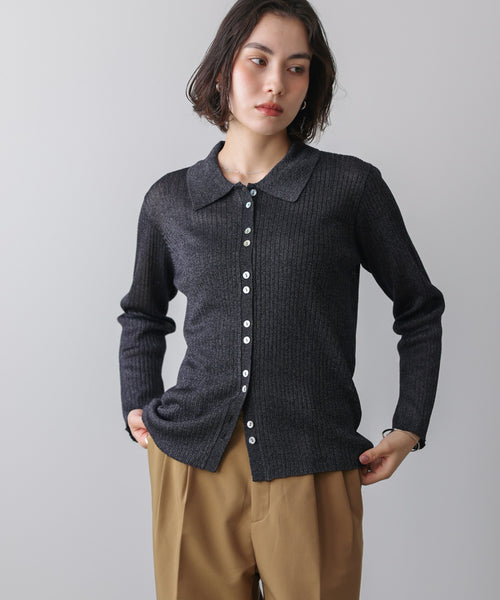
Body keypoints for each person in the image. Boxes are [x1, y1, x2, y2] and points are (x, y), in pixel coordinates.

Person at [117, 0, 445, 598]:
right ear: (223, 68)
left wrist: (410, 424)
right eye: (259, 60)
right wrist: (138, 401)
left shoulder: (350, 187)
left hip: (314, 463)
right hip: (191, 464)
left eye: (297, 68)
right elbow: (142, 313)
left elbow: (419, 308)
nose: (276, 84)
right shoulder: (171, 199)